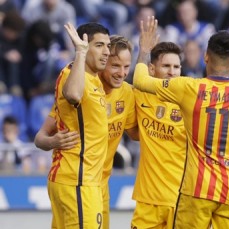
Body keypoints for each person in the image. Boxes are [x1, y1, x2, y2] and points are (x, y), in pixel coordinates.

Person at [133, 16, 229, 228]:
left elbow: (140, 81)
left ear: (206, 57)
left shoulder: (189, 87)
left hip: (196, 188)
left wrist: (144, 49)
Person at [34, 34, 138, 229]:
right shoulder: (81, 89)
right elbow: (40, 138)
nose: (122, 73)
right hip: (77, 180)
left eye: (126, 67)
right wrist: (53, 142)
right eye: (115, 66)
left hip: (100, 185)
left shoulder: (126, 93)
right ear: (102, 62)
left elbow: (137, 134)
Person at [46, 22, 111, 228]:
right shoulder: (73, 72)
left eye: (108, 46)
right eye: (99, 45)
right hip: (78, 180)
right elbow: (73, 94)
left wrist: (48, 140)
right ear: (84, 45)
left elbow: (45, 130)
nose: (106, 52)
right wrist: (80, 53)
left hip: (77, 179)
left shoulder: (94, 79)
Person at [131, 41, 186, 228]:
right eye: (166, 66)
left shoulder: (189, 102)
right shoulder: (140, 95)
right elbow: (133, 132)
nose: (172, 72)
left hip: (182, 199)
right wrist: (143, 50)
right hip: (148, 200)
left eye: (176, 67)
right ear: (152, 70)